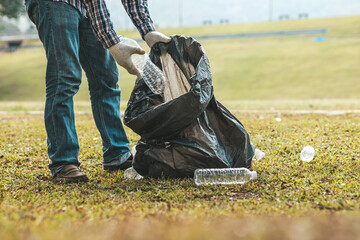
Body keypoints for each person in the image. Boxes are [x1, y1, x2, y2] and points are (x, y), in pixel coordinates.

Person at [24, 0, 171, 183]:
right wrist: (112, 43)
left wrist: (148, 30)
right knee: (65, 77)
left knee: (106, 78)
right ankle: (64, 162)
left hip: (86, 8)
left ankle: (116, 154)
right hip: (56, 4)